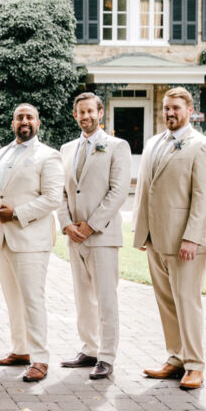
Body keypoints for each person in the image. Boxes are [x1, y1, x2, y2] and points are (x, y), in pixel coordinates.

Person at [133, 86, 206, 390]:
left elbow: (203, 196)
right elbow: (146, 190)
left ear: (190, 110)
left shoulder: (201, 146)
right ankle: (176, 357)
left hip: (185, 242)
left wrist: (192, 238)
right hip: (156, 238)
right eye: (167, 108)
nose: (170, 113)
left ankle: (195, 364)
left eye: (176, 108)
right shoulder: (154, 142)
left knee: (187, 301)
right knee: (167, 302)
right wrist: (142, 231)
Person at [57, 92, 131, 380]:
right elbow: (62, 192)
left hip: (102, 236)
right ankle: (89, 349)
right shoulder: (66, 149)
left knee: (105, 298)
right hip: (74, 236)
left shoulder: (116, 146)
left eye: (91, 111)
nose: (86, 116)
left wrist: (91, 224)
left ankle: (107, 355)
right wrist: (66, 224)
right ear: (75, 115)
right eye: (80, 112)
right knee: (82, 297)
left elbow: (118, 191)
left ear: (101, 113)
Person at [0, 104, 64, 382]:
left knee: (32, 299)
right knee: (12, 299)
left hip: (30, 238)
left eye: (29, 117)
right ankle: (20, 350)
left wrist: (18, 214)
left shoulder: (48, 156)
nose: (24, 121)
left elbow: (53, 197)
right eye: (20, 117)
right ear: (13, 123)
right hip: (1, 239)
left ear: (38, 123)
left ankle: (40, 358)